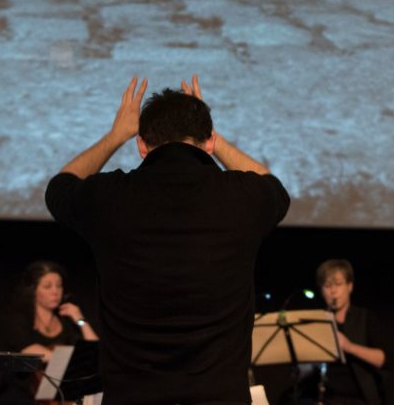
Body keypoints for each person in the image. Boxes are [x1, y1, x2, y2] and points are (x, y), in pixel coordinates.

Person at [45, 75, 290, 405]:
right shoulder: (243, 197)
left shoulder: (109, 197)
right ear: (209, 141)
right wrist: (214, 138)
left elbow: (59, 189)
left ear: (141, 145)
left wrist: (116, 135)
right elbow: (275, 190)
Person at [279, 259, 394, 405]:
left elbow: (385, 360)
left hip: (359, 398)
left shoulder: (364, 317)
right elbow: (300, 375)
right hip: (324, 397)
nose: (333, 291)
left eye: (338, 284)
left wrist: (349, 346)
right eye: (327, 286)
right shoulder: (317, 321)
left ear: (350, 286)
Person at [0, 260, 99, 405]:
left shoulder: (66, 320)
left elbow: (94, 349)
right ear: (33, 289)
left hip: (56, 398)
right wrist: (71, 361)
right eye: (47, 286)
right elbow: (29, 350)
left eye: (59, 285)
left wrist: (79, 318)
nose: (55, 291)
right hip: (22, 394)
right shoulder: (19, 318)